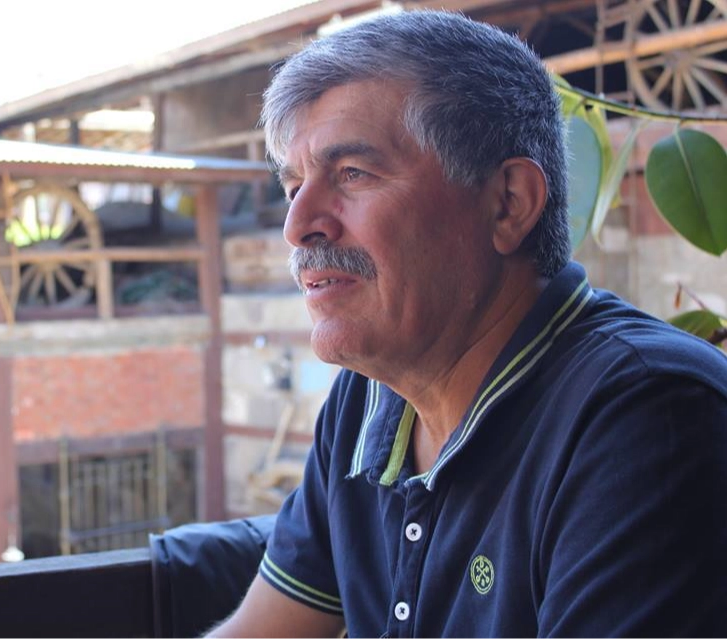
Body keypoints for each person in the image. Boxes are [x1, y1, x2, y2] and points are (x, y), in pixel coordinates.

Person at [208, 9, 727, 639]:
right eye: (293, 186)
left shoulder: (647, 416)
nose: (298, 226)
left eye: (352, 174)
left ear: (508, 203)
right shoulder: (367, 402)